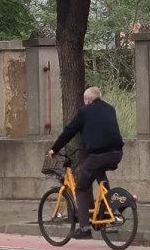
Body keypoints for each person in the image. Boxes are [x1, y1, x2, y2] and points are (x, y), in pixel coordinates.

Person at [48, 86, 124, 240]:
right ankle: (109, 210)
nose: (84, 102)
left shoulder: (85, 111)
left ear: (88, 100)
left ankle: (84, 228)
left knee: (81, 188)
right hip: (116, 153)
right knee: (100, 176)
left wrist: (54, 149)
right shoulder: (110, 109)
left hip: (98, 155)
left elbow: (69, 131)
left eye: (84, 100)